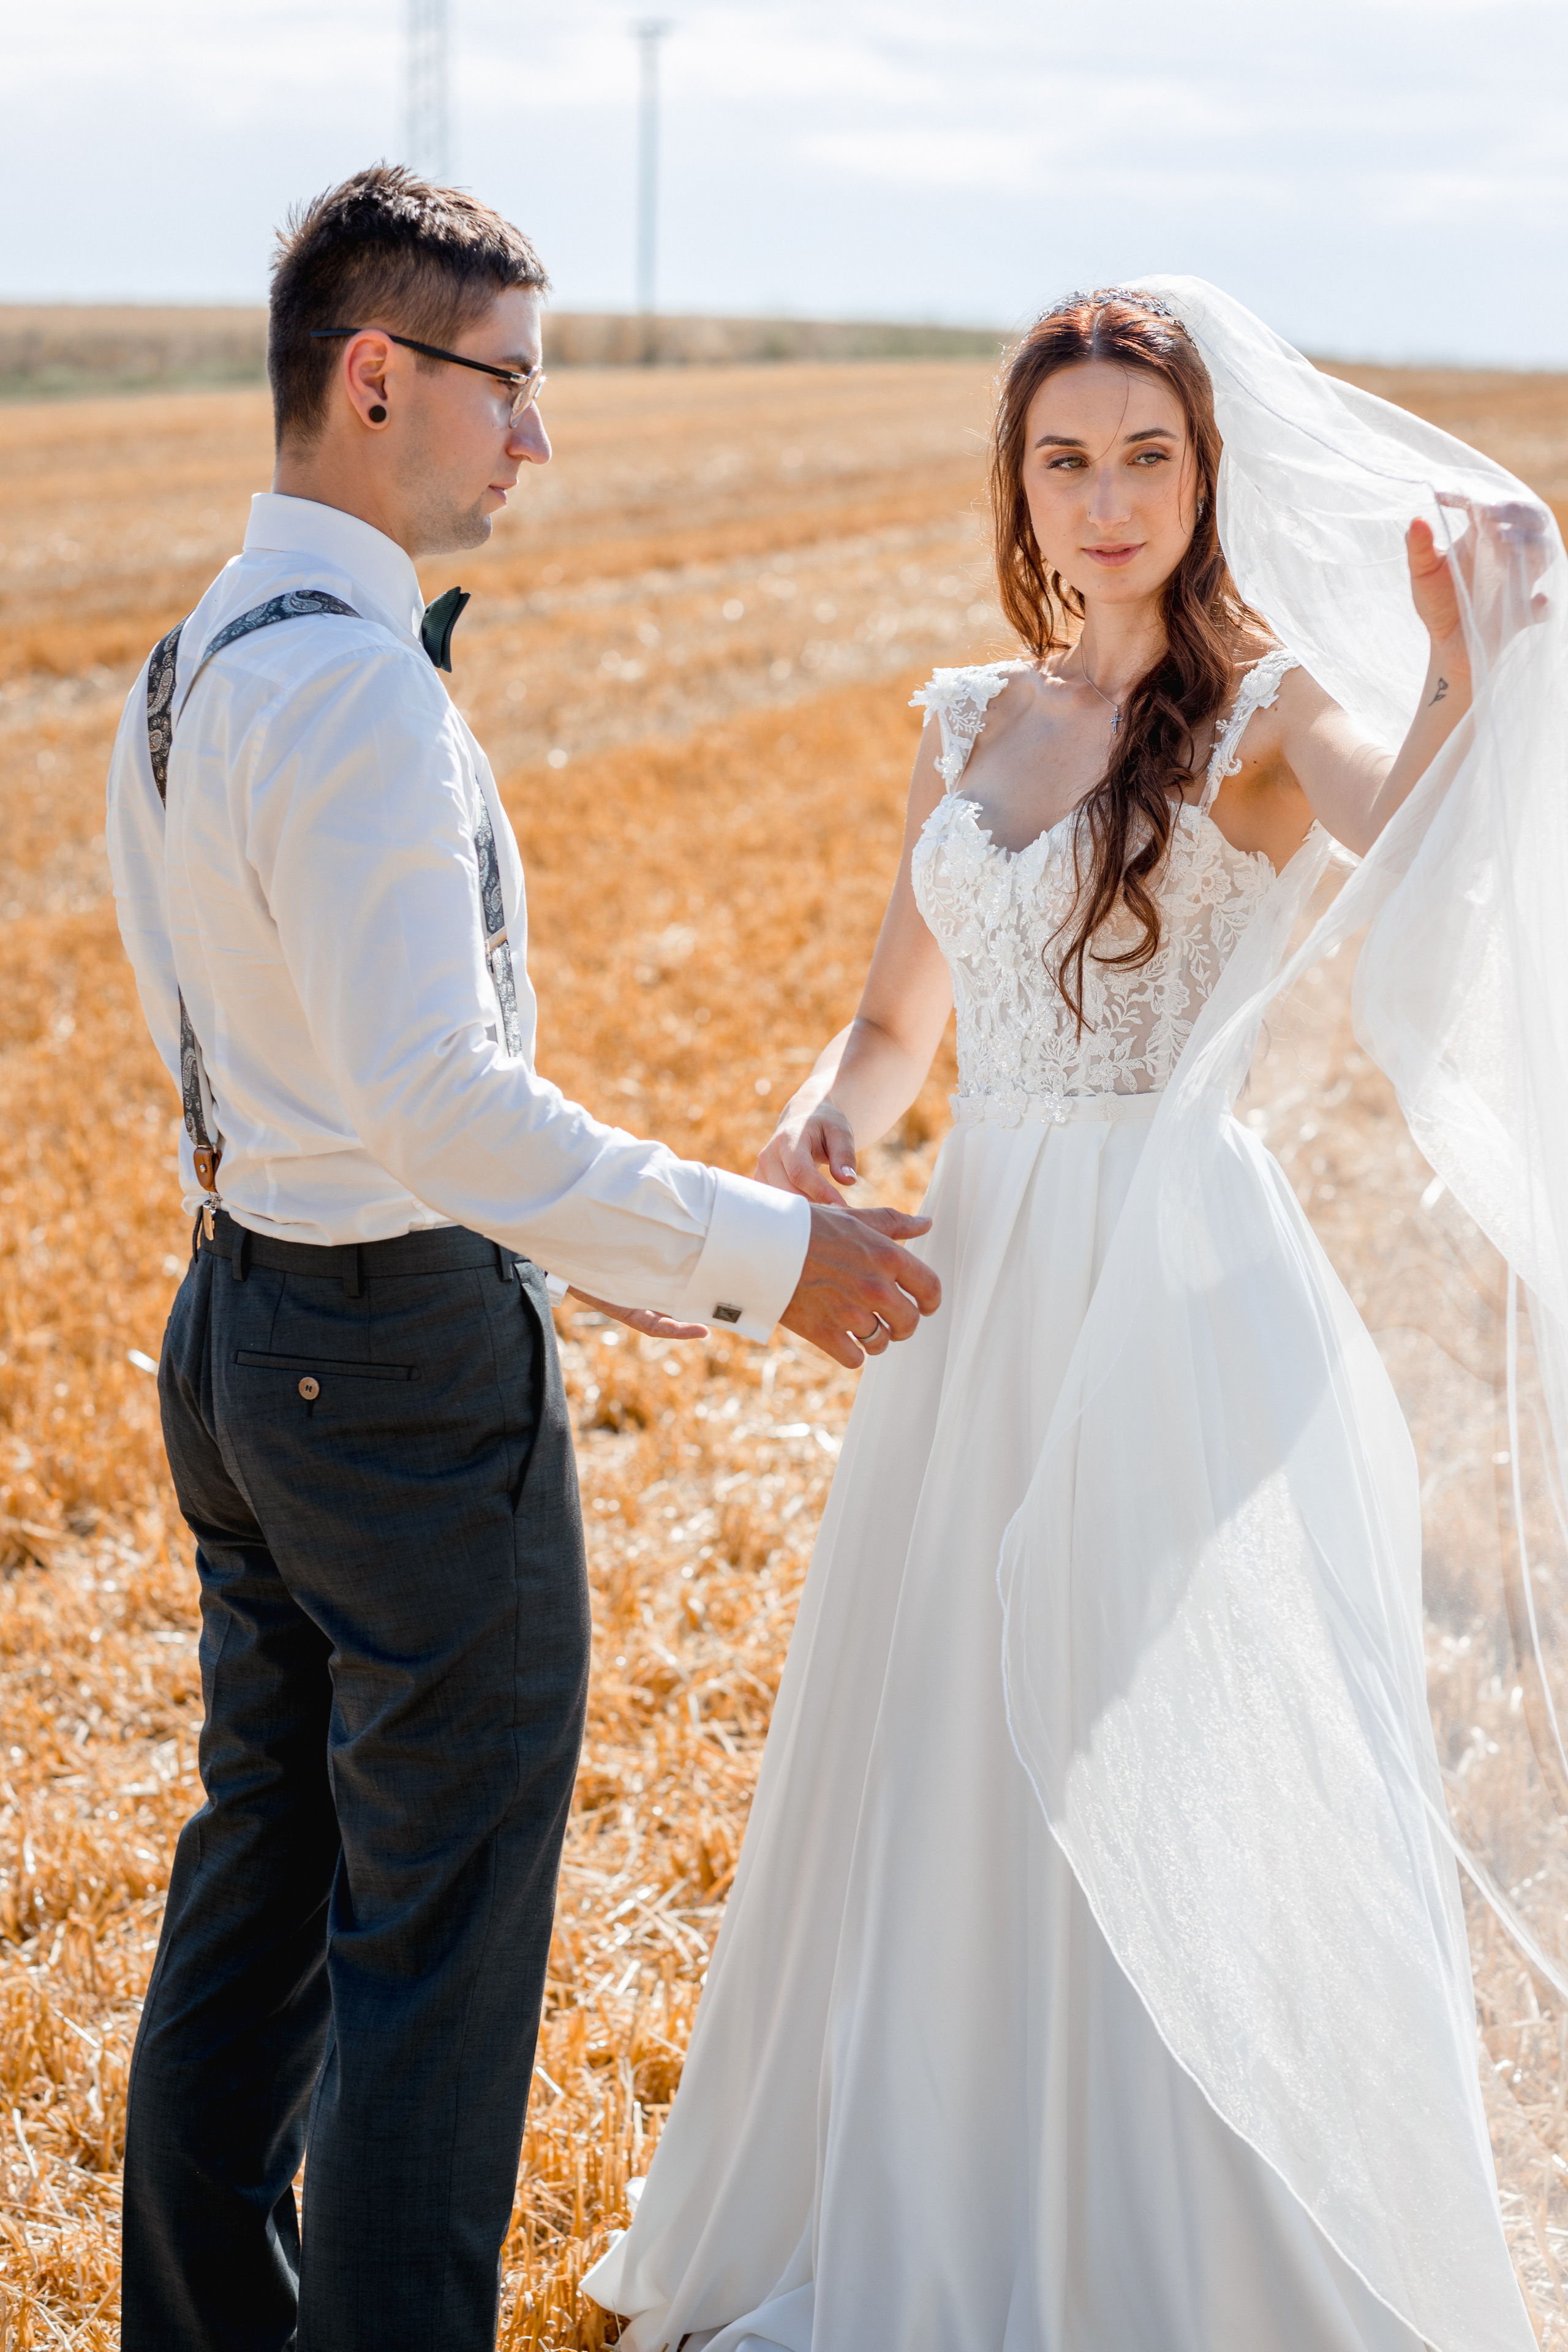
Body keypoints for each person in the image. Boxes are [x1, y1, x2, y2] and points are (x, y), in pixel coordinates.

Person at [583, 284, 1563, 2350]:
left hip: (1177, 1281)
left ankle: (1182, 2251)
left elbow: (1426, 849)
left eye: (1145, 455)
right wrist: (822, 1126)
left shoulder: (1271, 712)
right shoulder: (966, 720)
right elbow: (885, 1025)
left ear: (1205, 477)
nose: (1106, 497)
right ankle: (959, 2203)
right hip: (981, 1285)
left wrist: (1477, 683)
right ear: (1016, 482)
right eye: (1066, 457)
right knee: (949, 1733)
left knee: (1178, 1738)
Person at [104, 164, 938, 2352]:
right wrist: (776, 1257)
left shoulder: (190, 658)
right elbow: (436, 1105)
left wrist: (576, 1251)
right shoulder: (365, 701)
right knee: (436, 1960)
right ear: (376, 378)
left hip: (241, 1330)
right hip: (391, 1380)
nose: (537, 438)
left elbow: (287, 1069)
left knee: (259, 1887)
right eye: (512, 387)